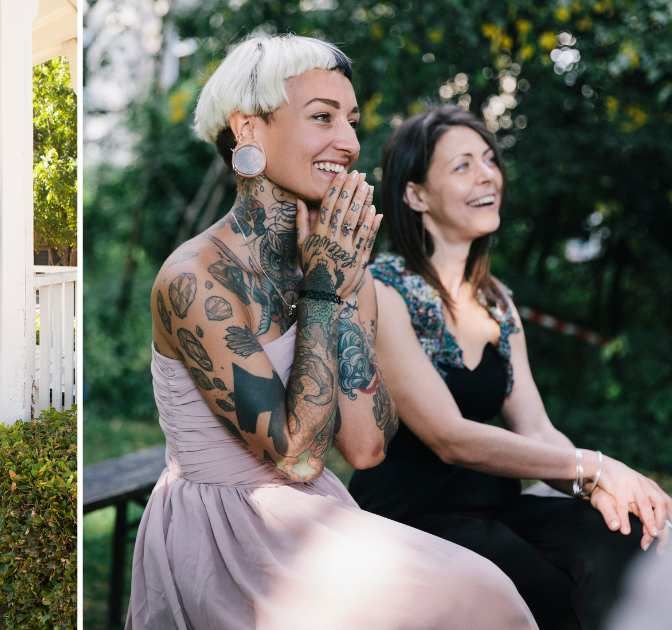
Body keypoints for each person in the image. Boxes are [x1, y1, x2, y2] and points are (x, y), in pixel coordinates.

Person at [127, 35, 537, 629]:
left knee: (487, 592)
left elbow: (366, 449)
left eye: (351, 120)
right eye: (322, 117)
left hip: (313, 513)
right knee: (471, 595)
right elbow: (295, 457)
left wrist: (340, 289)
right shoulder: (196, 278)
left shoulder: (339, 263)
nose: (347, 142)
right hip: (222, 535)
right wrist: (323, 292)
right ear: (248, 128)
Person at [348, 105, 672, 630]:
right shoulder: (382, 292)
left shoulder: (497, 302)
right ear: (416, 195)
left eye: (489, 160)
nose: (487, 175)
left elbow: (538, 429)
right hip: (412, 520)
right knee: (536, 583)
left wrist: (598, 488)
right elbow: (449, 437)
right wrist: (597, 465)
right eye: (462, 166)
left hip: (493, 507)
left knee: (621, 537)